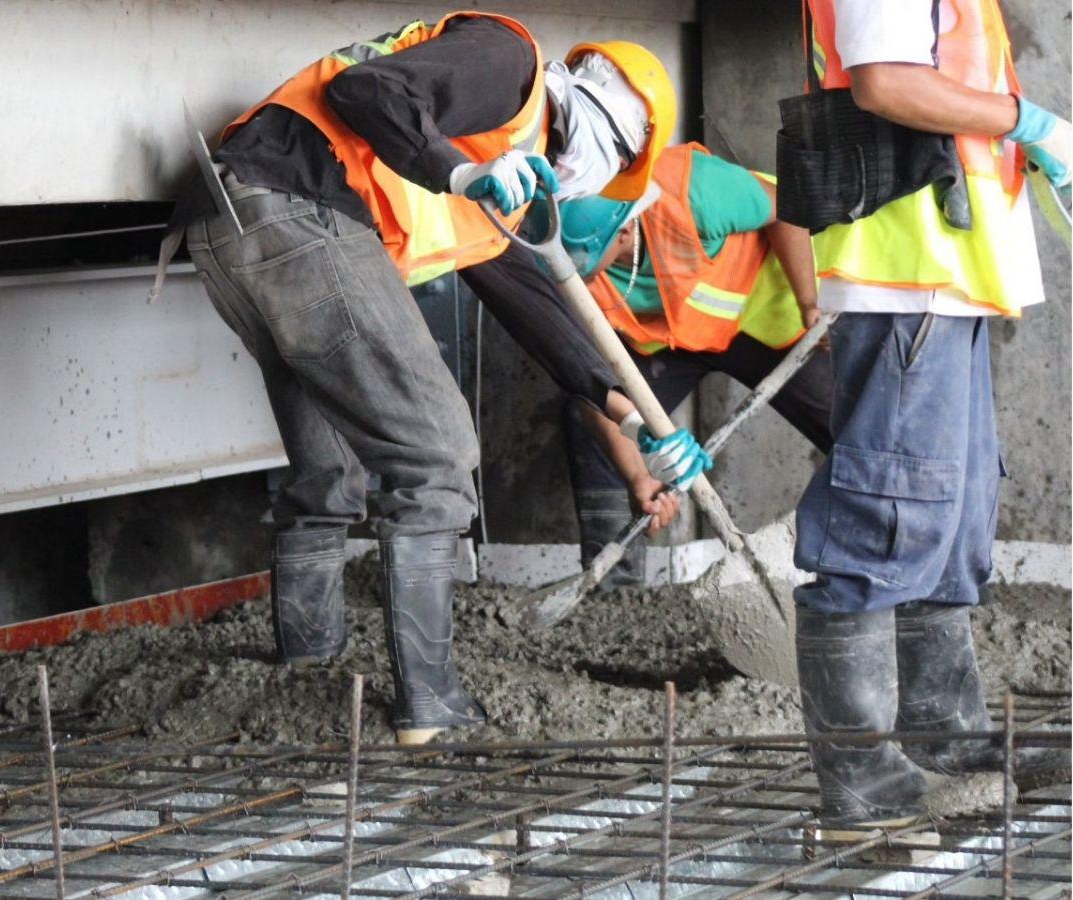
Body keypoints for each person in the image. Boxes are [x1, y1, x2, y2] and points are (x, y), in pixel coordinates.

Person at [164, 13, 702, 743]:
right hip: (296, 205)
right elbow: (367, 89)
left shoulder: (502, 176)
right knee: (438, 454)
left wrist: (634, 420)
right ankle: (430, 704)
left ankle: (305, 673)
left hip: (234, 218)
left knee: (330, 467)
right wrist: (459, 171)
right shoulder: (512, 64)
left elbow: (538, 311)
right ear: (616, 132)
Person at [779, 0, 1071, 835]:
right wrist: (1028, 121)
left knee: (951, 519)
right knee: (890, 518)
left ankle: (946, 743)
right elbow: (885, 83)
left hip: (948, 278)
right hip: (907, 274)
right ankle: (863, 774)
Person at [547, 143, 832, 589]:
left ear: (623, 231)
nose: (574, 272)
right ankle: (614, 593)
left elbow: (787, 209)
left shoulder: (689, 189)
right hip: (672, 345)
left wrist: (808, 303)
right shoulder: (564, 264)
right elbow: (595, 387)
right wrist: (639, 477)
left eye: (584, 258)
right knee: (590, 416)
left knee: (854, 430)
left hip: (761, 322)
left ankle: (872, 576)